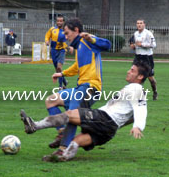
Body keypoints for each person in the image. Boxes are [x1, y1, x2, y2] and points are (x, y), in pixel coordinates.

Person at [20, 61, 150, 162]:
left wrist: (138, 126)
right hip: (110, 130)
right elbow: (132, 115)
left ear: (140, 76)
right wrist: (127, 124)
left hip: (104, 118)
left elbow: (141, 110)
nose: (128, 72)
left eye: (132, 70)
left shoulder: (137, 89)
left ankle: (35, 126)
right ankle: (62, 157)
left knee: (70, 114)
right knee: (75, 142)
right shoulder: (134, 89)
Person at [32, 18, 111, 155]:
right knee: (51, 101)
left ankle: (63, 149)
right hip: (80, 87)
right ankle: (62, 133)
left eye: (67, 33)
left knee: (72, 113)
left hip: (91, 87)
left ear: (76, 30)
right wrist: (61, 73)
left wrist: (91, 37)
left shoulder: (86, 41)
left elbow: (108, 45)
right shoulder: (78, 46)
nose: (66, 37)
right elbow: (77, 67)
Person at [130, 19, 157, 100]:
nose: (139, 25)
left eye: (141, 23)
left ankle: (155, 91)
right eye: (138, 23)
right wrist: (133, 46)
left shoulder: (148, 33)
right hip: (138, 57)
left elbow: (154, 45)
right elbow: (133, 44)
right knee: (134, 75)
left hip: (147, 58)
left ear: (144, 24)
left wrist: (142, 44)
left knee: (150, 78)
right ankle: (142, 92)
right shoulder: (135, 33)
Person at [45, 14, 68, 89]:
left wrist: (69, 46)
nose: (59, 22)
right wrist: (47, 41)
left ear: (63, 22)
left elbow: (70, 38)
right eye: (58, 21)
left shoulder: (66, 30)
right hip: (54, 51)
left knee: (59, 68)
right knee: (57, 69)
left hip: (62, 51)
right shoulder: (52, 29)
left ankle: (60, 86)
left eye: (61, 21)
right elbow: (47, 36)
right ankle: (64, 81)